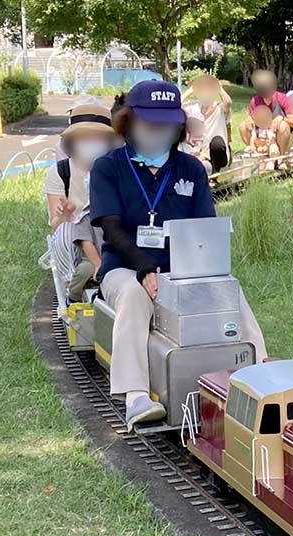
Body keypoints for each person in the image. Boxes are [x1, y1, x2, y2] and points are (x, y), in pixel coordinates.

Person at [89, 79, 267, 429]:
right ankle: (135, 395)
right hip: (125, 266)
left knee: (230, 290)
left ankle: (260, 369)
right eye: (149, 123)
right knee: (133, 296)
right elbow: (111, 228)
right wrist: (144, 266)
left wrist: (206, 273)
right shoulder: (108, 168)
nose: (158, 131)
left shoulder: (191, 169)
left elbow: (204, 229)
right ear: (129, 122)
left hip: (182, 269)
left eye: (166, 125)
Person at [44, 103, 117, 305]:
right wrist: (66, 215)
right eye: (84, 138)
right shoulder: (61, 172)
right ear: (72, 141)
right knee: (67, 229)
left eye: (98, 137)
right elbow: (56, 225)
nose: (91, 143)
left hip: (110, 238)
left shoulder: (119, 171)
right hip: (77, 244)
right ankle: (73, 284)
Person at [181, 74, 232, 173]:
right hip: (197, 152)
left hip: (216, 154)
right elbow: (176, 105)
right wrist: (192, 89)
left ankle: (215, 172)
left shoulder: (220, 108)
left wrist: (218, 86)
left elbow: (228, 102)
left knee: (217, 142)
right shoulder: (193, 108)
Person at [239, 70, 291, 154]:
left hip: (277, 135)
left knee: (283, 126)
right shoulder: (255, 100)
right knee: (243, 126)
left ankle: (280, 156)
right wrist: (249, 118)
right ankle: (255, 151)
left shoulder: (282, 98)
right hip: (261, 134)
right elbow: (251, 118)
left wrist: (282, 118)